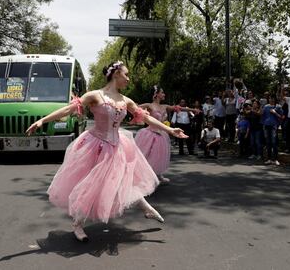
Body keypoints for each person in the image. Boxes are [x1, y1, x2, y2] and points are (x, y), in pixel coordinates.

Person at [26, 61, 188, 242]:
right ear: (116, 73)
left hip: (118, 146)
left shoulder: (125, 101)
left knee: (123, 180)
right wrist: (42, 121)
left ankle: (146, 209)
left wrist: (170, 130)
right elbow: (68, 109)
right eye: (126, 74)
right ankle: (78, 224)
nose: (128, 78)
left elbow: (148, 118)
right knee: (92, 185)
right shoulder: (95, 96)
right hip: (96, 145)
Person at [135, 85, 196, 183]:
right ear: (156, 94)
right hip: (150, 133)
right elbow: (133, 107)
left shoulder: (165, 106)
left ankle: (158, 175)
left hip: (161, 135)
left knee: (158, 156)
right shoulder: (149, 105)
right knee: (147, 155)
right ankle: (144, 176)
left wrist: (192, 110)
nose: (164, 94)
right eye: (162, 92)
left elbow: (179, 108)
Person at [262, 95, 283, 166]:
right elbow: (263, 116)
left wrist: (275, 113)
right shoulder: (266, 107)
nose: (271, 100)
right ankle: (269, 159)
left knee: (274, 143)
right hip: (267, 126)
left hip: (274, 126)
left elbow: (282, 117)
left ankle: (275, 159)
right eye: (270, 98)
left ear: (275, 99)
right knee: (268, 143)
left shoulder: (278, 106)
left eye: (273, 98)